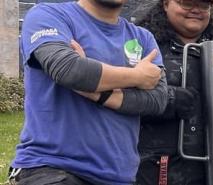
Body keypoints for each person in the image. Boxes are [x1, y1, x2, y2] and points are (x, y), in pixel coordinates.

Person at [11, 0, 168, 184]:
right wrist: (137, 76)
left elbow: (157, 100)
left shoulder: (143, 38)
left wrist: (97, 91)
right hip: (52, 169)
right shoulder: (48, 16)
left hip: (119, 177)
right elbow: (69, 70)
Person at [133, 0, 213, 184]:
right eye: (187, 3)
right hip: (160, 171)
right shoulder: (144, 48)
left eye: (203, 5)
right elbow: (119, 98)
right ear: (165, 4)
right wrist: (165, 99)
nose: (196, 10)